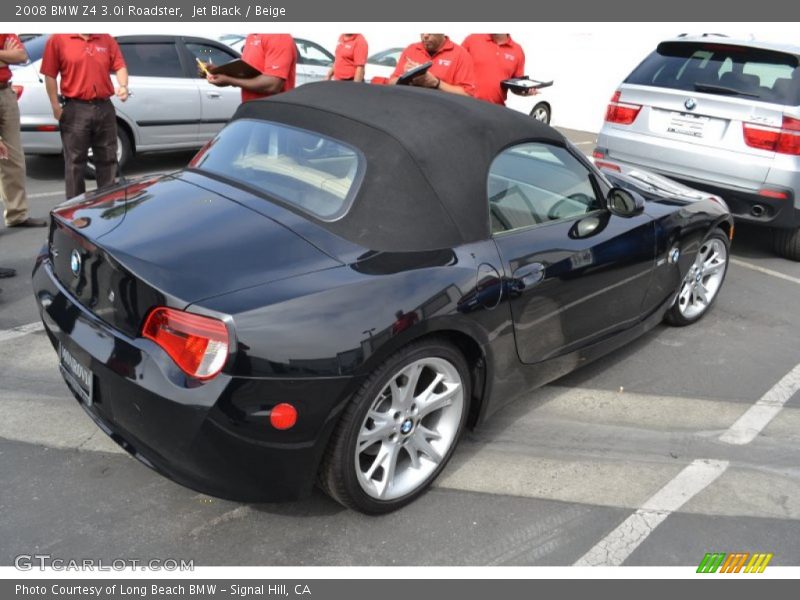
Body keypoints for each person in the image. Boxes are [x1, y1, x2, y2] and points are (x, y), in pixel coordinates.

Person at [40, 34, 129, 200]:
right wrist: (55, 106)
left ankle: (106, 208)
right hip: (75, 108)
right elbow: (49, 74)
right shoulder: (58, 40)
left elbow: (120, 66)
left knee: (108, 159)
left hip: (104, 107)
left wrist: (123, 85)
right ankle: (75, 213)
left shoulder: (106, 39)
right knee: (75, 163)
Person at [0, 33, 46, 229]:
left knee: (13, 158)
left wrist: (7, 58)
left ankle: (17, 214)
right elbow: (13, 56)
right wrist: (5, 54)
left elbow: (21, 57)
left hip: (5, 93)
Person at [207, 34, 296, 102]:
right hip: (251, 110)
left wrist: (229, 80)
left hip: (273, 114)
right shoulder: (251, 36)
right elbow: (248, 76)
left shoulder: (279, 36)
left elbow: (272, 85)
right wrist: (219, 72)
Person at [389, 34, 476, 96]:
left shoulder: (461, 54)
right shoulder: (411, 49)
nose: (425, 35)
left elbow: (467, 94)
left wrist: (436, 83)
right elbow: (391, 82)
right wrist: (406, 77)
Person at [462, 33, 535, 106]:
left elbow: (515, 86)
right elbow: (455, 67)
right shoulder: (472, 40)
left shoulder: (518, 51)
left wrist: (524, 92)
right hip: (467, 105)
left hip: (496, 109)